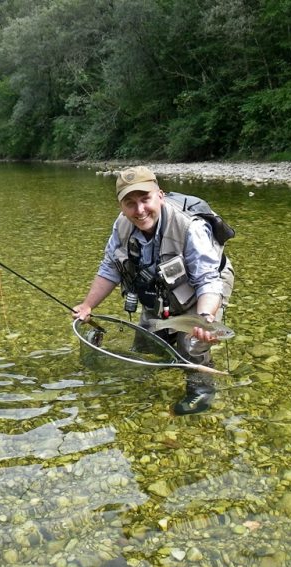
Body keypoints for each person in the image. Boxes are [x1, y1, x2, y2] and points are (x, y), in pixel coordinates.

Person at [72, 166, 235, 415]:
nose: (139, 210)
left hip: (203, 289)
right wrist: (87, 305)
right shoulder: (122, 226)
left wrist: (205, 319)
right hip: (162, 285)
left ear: (160, 194)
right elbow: (109, 268)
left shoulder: (190, 227)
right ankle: (155, 377)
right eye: (130, 203)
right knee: (148, 343)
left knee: (191, 344)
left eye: (145, 199)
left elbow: (208, 281)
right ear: (121, 206)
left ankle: (200, 390)